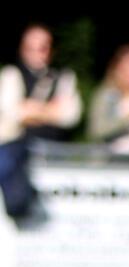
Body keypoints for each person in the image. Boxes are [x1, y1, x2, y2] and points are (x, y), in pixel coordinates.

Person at [0, 24, 82, 219]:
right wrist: (50, 110)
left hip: (54, 154)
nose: (39, 53)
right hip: (14, 153)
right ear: (22, 49)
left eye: (44, 47)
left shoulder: (63, 77)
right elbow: (12, 112)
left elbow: (70, 116)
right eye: (33, 47)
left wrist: (31, 109)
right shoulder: (11, 74)